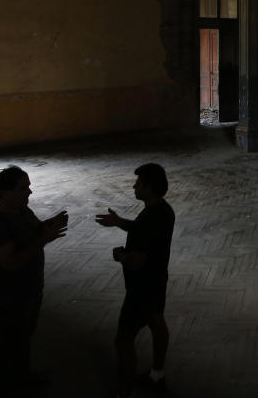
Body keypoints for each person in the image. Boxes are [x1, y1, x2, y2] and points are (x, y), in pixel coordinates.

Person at [0, 165, 67, 394]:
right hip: (11, 295)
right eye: (24, 188)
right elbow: (10, 262)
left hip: (30, 289)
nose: (30, 192)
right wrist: (43, 240)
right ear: (6, 193)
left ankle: (22, 375)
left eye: (28, 186)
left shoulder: (21, 211)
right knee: (11, 339)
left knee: (24, 336)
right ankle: (5, 383)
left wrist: (48, 225)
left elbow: (34, 231)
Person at [96, 163, 175, 397]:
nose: (134, 186)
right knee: (157, 322)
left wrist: (120, 255)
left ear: (148, 187)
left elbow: (136, 262)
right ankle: (157, 374)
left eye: (138, 183)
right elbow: (142, 229)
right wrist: (120, 221)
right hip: (158, 281)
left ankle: (123, 391)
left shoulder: (149, 219)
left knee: (123, 341)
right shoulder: (163, 210)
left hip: (140, 290)